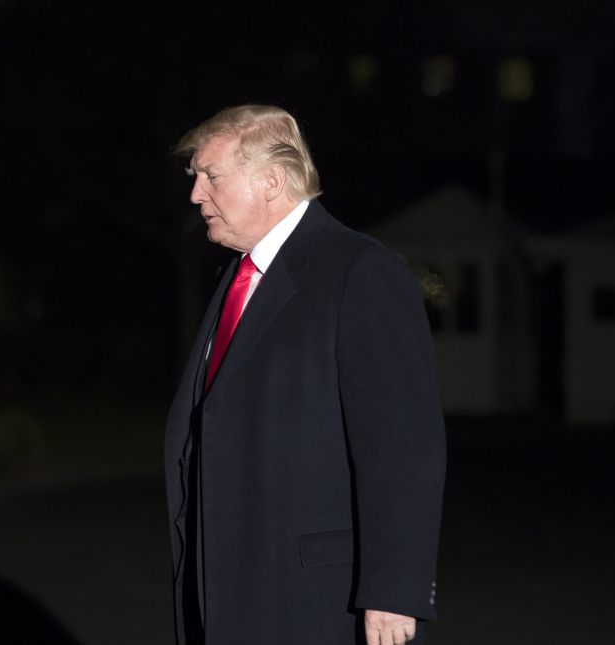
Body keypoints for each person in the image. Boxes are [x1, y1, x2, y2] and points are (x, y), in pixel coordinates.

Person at [164, 104, 446, 645]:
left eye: (211, 176)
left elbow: (404, 446)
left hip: (313, 604)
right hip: (225, 594)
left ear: (271, 180)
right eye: (196, 178)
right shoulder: (238, 277)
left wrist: (392, 590)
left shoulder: (361, 271)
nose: (197, 194)